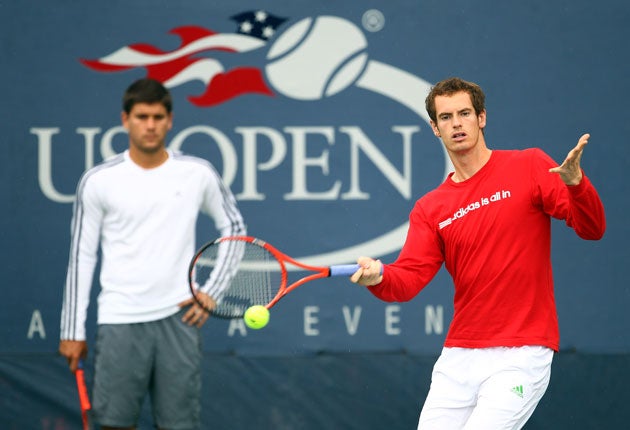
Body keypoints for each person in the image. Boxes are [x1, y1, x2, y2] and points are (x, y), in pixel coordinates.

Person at [350, 77, 605, 429]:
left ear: (481, 118)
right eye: (446, 117)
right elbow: (407, 280)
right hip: (459, 358)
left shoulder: (530, 166)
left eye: (465, 113)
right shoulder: (431, 208)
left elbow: (592, 228)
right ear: (435, 128)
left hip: (521, 352)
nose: (456, 123)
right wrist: (378, 277)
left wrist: (576, 184)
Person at [58, 78, 246, 430]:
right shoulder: (98, 180)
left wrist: (211, 293)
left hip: (178, 318)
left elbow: (235, 228)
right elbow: (81, 257)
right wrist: (72, 329)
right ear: (125, 119)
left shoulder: (197, 173)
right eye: (142, 116)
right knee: (115, 425)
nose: (150, 125)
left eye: (158, 117)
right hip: (120, 319)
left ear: (170, 120)